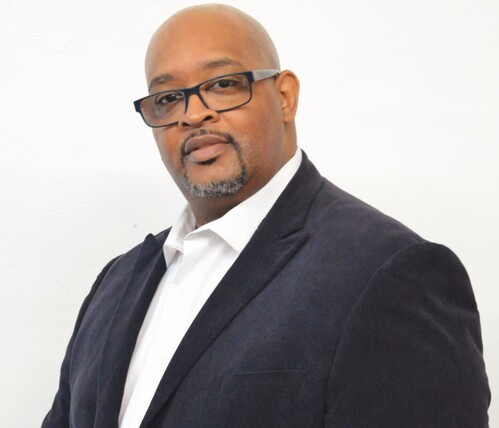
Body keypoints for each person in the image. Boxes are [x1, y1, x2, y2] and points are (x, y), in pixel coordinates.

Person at [43, 4, 490, 427]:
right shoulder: (117, 283)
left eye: (223, 84)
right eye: (168, 98)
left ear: (285, 97)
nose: (193, 113)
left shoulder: (389, 272)